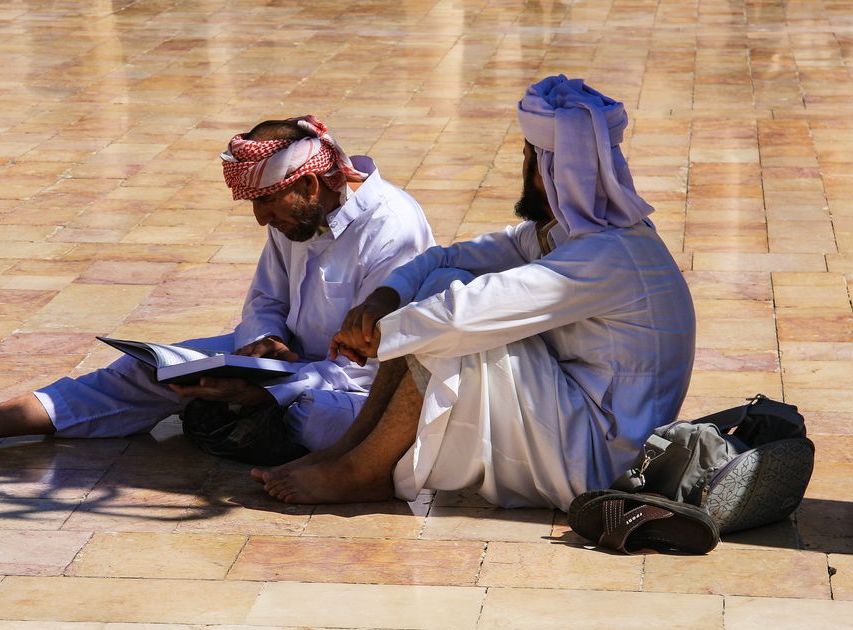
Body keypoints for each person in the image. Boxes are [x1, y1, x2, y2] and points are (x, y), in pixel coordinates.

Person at [254, 76, 696, 510]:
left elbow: (464, 316)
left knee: (454, 326)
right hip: (571, 416)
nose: (523, 172)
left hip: (603, 458)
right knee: (439, 289)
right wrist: (384, 298)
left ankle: (363, 471)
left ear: (553, 171)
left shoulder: (610, 255)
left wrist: (379, 335)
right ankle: (349, 450)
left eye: (529, 160)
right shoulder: (562, 235)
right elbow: (447, 257)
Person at [0, 115, 435, 456]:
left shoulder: (392, 229)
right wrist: (262, 342)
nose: (260, 220)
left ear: (311, 184)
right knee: (150, 368)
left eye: (266, 205)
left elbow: (375, 364)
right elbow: (267, 300)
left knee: (321, 424)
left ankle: (245, 415)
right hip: (288, 362)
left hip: (355, 385)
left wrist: (268, 388)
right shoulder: (299, 214)